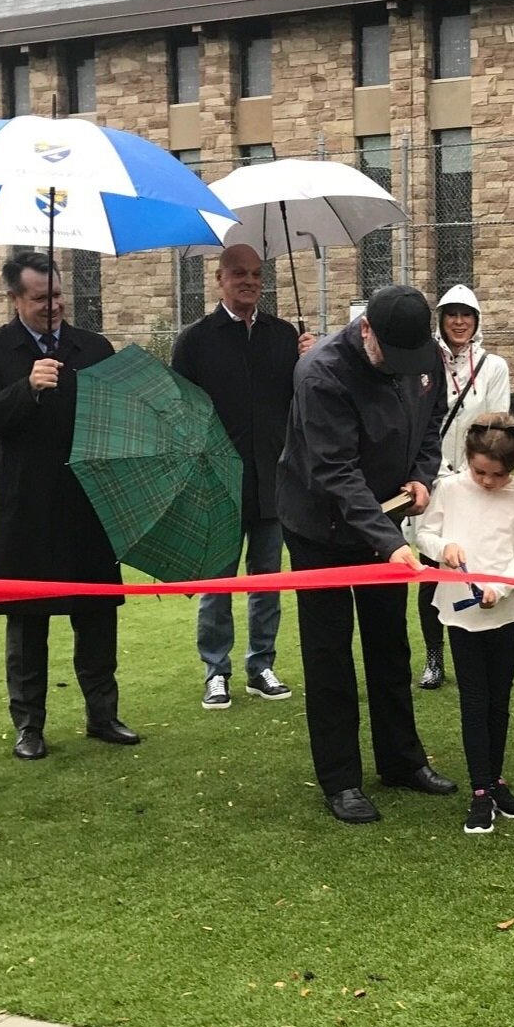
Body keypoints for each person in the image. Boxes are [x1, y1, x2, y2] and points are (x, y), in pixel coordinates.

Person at [277, 284, 457, 824]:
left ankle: (401, 760)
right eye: (391, 357)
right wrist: (390, 542)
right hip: (320, 529)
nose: (402, 369)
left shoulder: (421, 359)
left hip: (387, 523)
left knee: (389, 644)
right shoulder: (321, 374)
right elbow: (335, 472)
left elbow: (432, 423)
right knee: (329, 652)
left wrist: (422, 476)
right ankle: (340, 779)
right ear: (365, 330)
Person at [0, 253, 139, 761]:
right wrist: (27, 388)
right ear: (15, 299)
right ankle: (30, 726)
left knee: (98, 615)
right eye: (41, 298)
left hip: (88, 504)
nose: (54, 306)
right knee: (28, 622)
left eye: (59, 295)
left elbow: (117, 416)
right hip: (27, 509)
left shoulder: (94, 347)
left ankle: (103, 714)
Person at [171, 242, 315, 710]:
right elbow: (180, 413)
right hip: (217, 481)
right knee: (218, 581)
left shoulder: (283, 336)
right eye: (239, 273)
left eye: (256, 273)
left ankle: (261, 665)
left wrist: (310, 360)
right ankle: (216, 669)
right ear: (219, 278)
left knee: (267, 579)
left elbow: (305, 403)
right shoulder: (195, 340)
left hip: (273, 476)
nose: (249, 280)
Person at [416, 413, 514, 834]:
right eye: (480, 472)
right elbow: (424, 535)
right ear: (468, 460)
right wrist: (444, 545)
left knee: (499, 700)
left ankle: (496, 780)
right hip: (461, 611)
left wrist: (499, 590)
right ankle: (480, 792)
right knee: (474, 699)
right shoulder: (449, 488)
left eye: (497, 475)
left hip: (504, 610)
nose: (487, 482)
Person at [415, 285, 511, 692]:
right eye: (451, 314)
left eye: (466, 315)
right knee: (431, 568)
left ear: (476, 321)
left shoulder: (493, 366)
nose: (459, 322)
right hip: (432, 478)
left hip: (474, 480)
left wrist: (475, 472)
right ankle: (434, 657)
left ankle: (480, 649)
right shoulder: (423, 362)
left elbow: (496, 423)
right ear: (441, 320)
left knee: (475, 563)